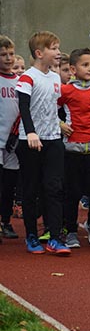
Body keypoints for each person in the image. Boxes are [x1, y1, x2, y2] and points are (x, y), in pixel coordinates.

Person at [16, 31, 70, 254]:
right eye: (54, 49)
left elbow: (51, 107)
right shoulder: (27, 77)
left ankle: (55, 237)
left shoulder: (56, 77)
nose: (58, 53)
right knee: (31, 189)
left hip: (53, 140)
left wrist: (59, 124)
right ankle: (31, 236)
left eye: (58, 48)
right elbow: (24, 106)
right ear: (39, 53)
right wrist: (30, 132)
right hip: (30, 141)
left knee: (54, 188)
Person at [58, 49, 90, 248]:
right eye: (85, 65)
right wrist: (59, 124)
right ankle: (70, 229)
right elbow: (48, 110)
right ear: (72, 69)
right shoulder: (65, 91)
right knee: (73, 192)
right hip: (71, 150)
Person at [0, 36, 20, 241]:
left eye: (11, 54)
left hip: (13, 143)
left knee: (9, 185)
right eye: (3, 55)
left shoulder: (20, 81)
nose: (8, 58)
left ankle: (6, 221)